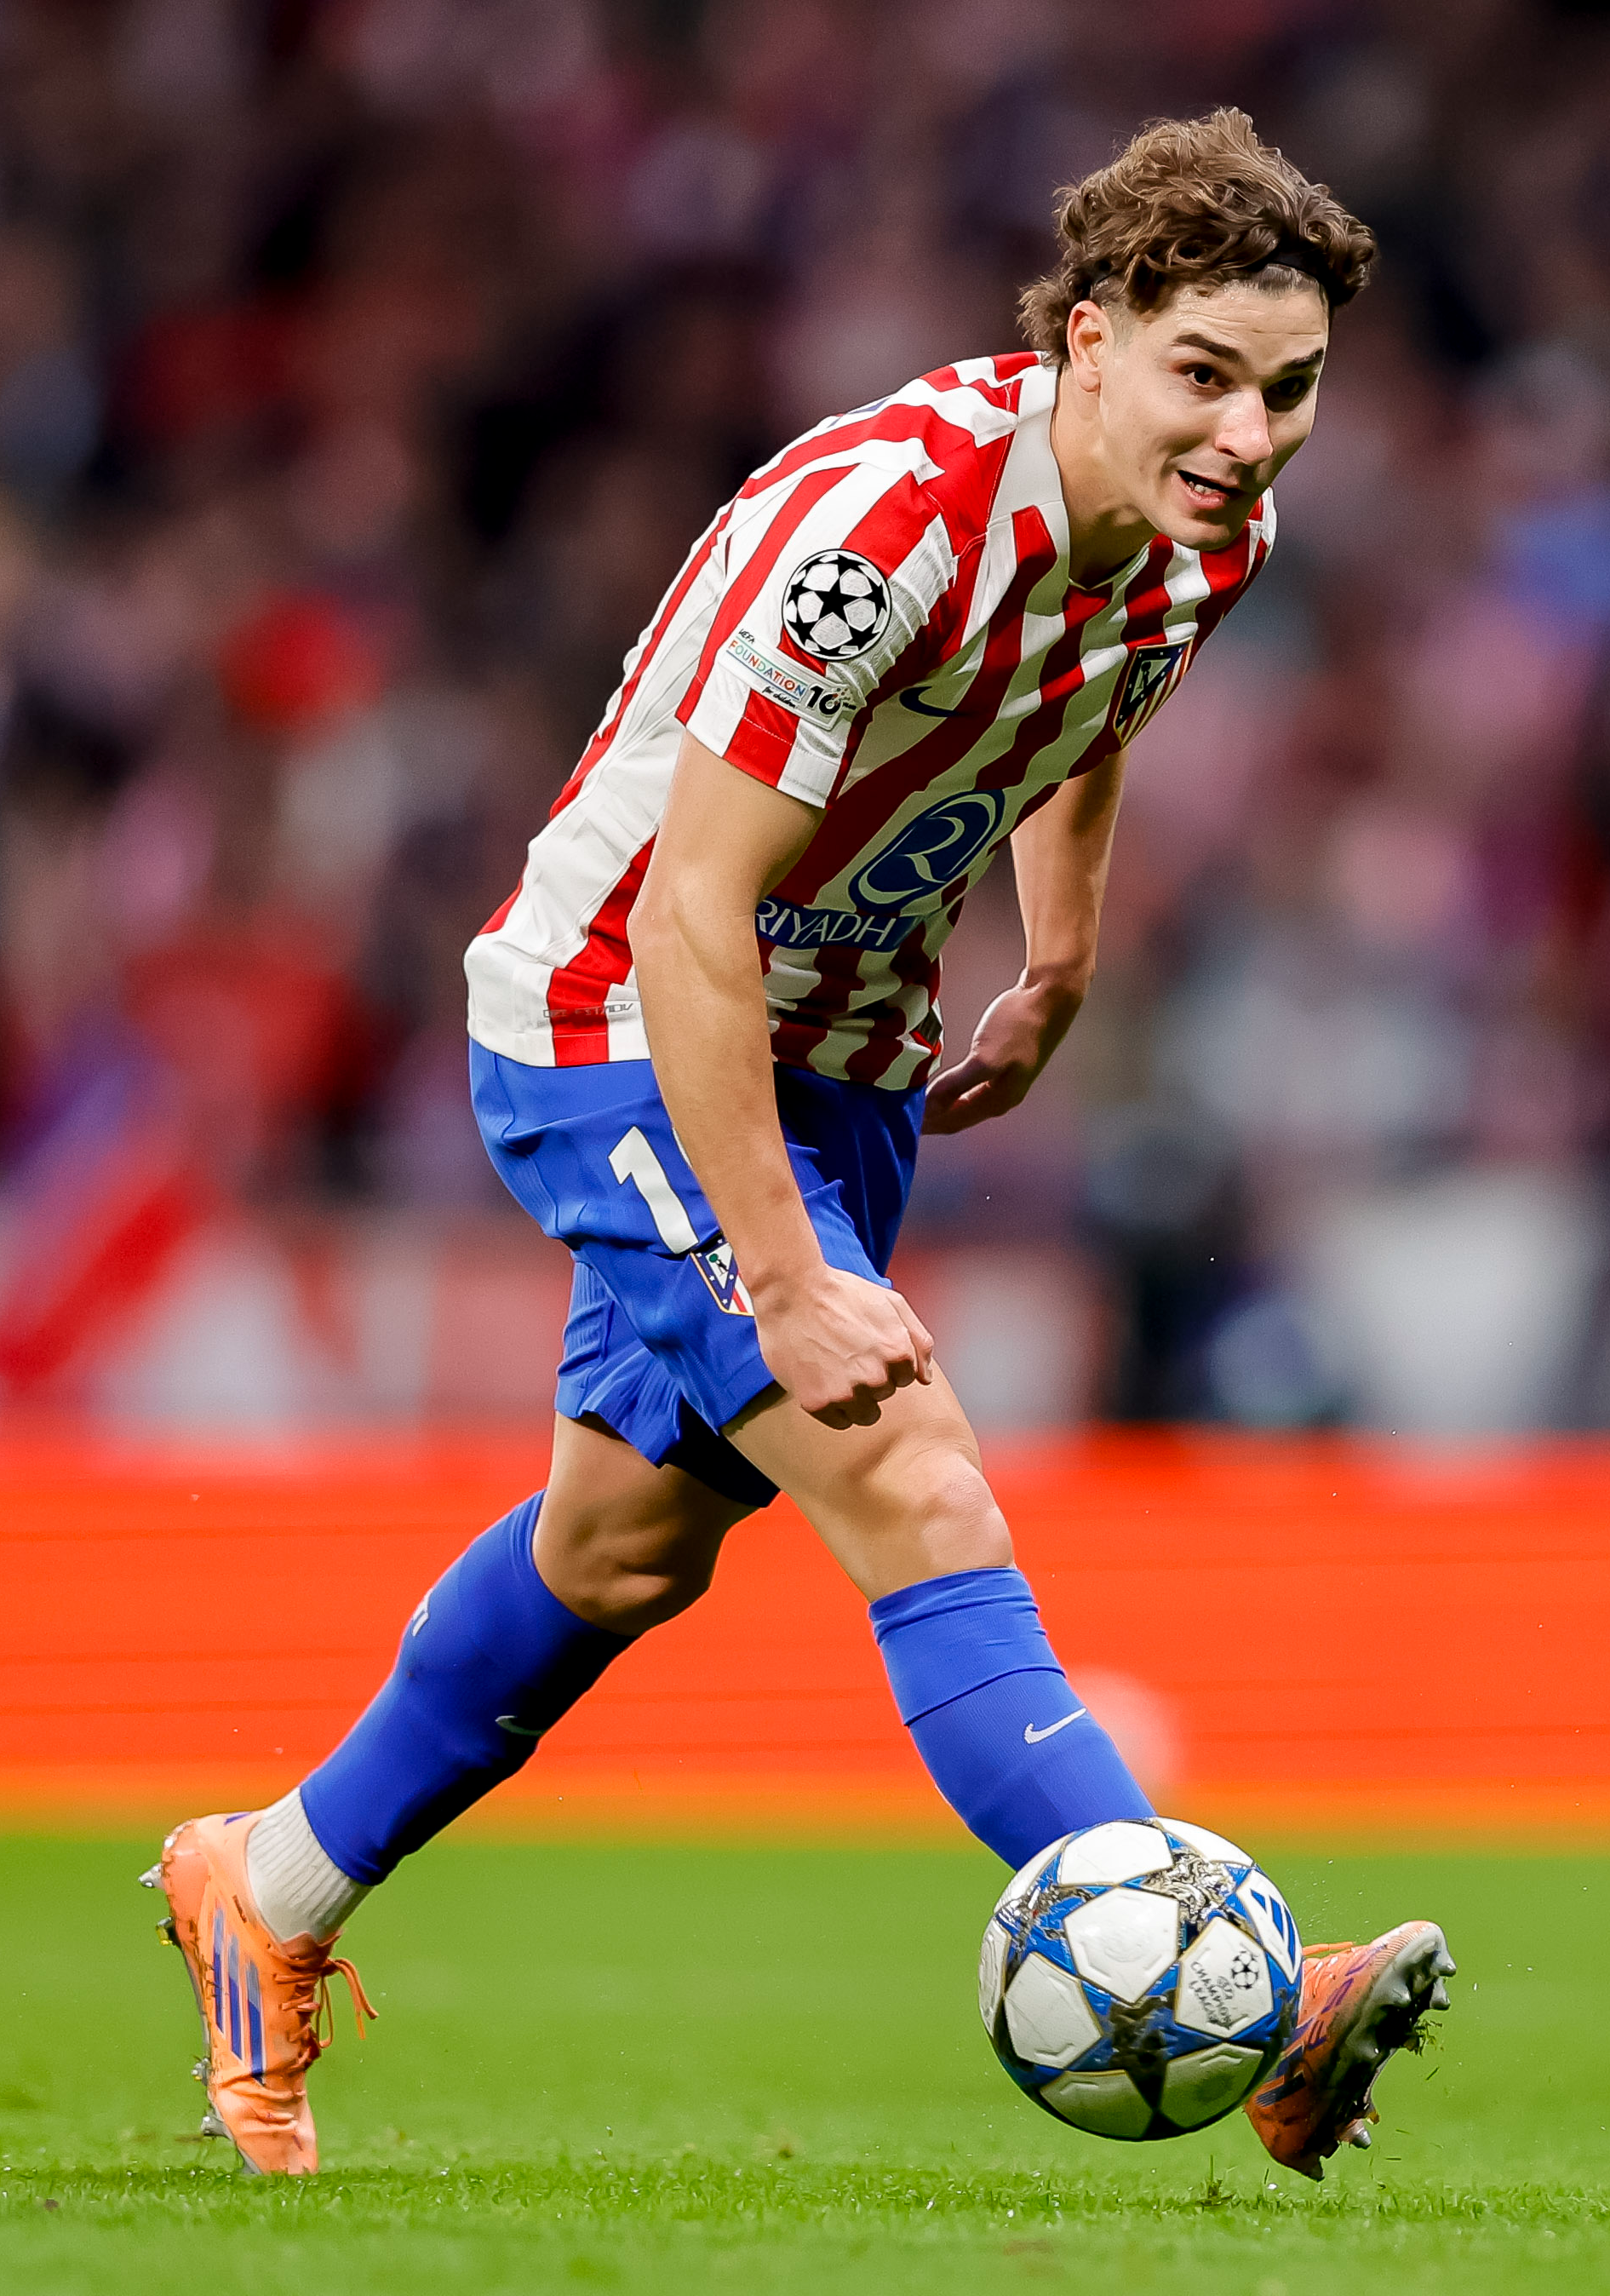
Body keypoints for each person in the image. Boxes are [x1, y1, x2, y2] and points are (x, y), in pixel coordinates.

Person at [146, 111, 1452, 2178]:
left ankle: (267, 1891)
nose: (1250, 432)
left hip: (838, 1047)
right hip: (619, 1020)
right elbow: (684, 910)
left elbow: (1079, 717)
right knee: (913, 1473)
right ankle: (1230, 1981)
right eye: (1205, 373)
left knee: (618, 1548)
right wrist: (781, 1262)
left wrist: (1063, 948)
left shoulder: (1211, 532)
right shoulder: (880, 527)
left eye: (1289, 389)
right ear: (1088, 337)